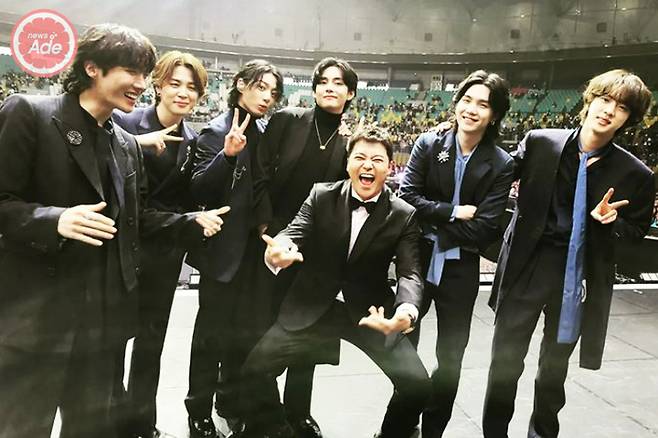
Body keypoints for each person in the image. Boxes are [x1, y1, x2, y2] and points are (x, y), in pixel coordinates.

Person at [0, 24, 227, 438]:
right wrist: (53, 220)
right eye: (131, 71)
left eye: (144, 73)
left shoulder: (124, 144)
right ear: (92, 68)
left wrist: (188, 223)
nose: (141, 83)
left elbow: (135, 221)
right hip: (35, 320)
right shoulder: (29, 112)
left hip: (102, 326)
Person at [482, 69, 655, 438]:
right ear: (589, 100)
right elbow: (495, 174)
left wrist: (611, 223)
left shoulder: (635, 174)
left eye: (622, 107)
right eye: (605, 99)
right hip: (527, 268)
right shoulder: (540, 142)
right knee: (504, 365)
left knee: (553, 373)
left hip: (576, 278)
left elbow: (636, 234)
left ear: (629, 119)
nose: (609, 110)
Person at [243, 126, 431, 438]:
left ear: (389, 167)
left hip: (370, 312)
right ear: (348, 163)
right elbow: (293, 232)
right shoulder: (321, 195)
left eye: (377, 160)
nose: (367, 165)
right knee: (252, 372)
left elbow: (410, 272)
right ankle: (280, 431)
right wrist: (278, 250)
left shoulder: (404, 214)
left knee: (418, 385)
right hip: (313, 303)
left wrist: (406, 312)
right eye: (360, 157)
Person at [398, 70, 514, 437]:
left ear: (494, 115)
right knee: (402, 344)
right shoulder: (429, 144)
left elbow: (487, 227)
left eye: (483, 104)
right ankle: (401, 422)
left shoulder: (501, 163)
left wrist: (433, 224)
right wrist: (452, 211)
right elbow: (406, 198)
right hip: (417, 259)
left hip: (460, 267)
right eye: (467, 100)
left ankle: (433, 429)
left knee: (450, 357)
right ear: (456, 103)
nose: (472, 109)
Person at [249, 57, 358, 437]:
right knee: (263, 329)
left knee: (306, 333)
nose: (330, 87)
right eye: (323, 81)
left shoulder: (349, 141)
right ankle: (266, 412)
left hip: (317, 252)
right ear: (313, 89)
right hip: (273, 241)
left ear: (350, 93)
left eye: (338, 82)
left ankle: (299, 412)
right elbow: (260, 171)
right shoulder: (287, 121)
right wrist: (265, 224)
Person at [185, 59, 284, 438]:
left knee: (244, 338)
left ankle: (229, 403)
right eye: (261, 87)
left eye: (273, 92)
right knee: (209, 341)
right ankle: (198, 411)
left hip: (256, 257)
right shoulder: (215, 131)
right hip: (222, 257)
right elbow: (198, 190)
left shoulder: (266, 133)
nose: (267, 97)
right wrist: (226, 156)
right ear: (241, 84)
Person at [112, 50, 208, 438]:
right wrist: (136, 143)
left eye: (192, 87)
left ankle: (141, 425)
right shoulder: (124, 122)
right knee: (112, 343)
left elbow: (187, 199)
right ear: (158, 85)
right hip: (120, 251)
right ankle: (112, 422)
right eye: (175, 84)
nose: (183, 93)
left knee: (151, 345)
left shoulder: (194, 140)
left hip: (164, 255)